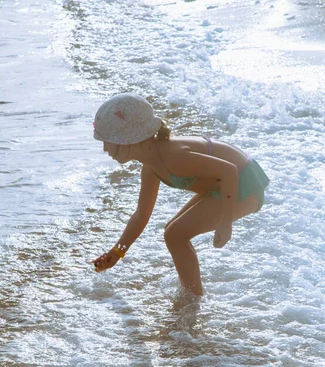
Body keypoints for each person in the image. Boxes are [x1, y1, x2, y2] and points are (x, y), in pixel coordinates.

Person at [92, 93, 269, 296]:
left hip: (244, 183)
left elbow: (229, 171)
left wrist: (225, 223)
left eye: (109, 141)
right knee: (172, 231)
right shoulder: (150, 166)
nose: (105, 149)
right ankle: (191, 294)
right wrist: (117, 252)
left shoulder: (173, 156)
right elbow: (141, 215)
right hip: (223, 185)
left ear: (130, 138)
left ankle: (193, 299)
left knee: (175, 234)